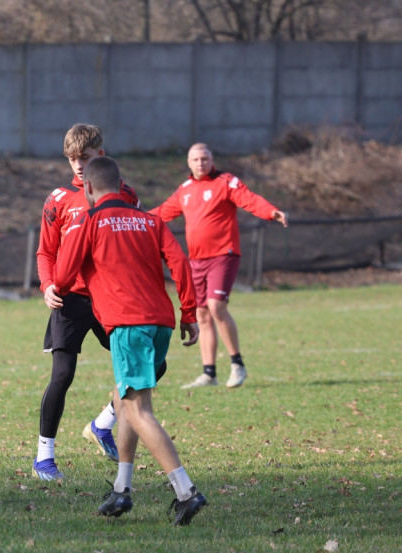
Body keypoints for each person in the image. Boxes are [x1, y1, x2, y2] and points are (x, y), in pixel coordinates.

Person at [53, 155, 207, 525]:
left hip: (127, 324)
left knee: (138, 411)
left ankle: (186, 491)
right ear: (121, 186)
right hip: (160, 323)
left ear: (87, 187)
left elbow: (63, 272)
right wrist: (188, 312)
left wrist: (57, 286)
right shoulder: (151, 220)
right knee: (126, 403)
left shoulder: (89, 221)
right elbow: (180, 265)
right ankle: (122, 490)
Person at [34, 123, 146, 479]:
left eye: (83, 157)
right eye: (71, 159)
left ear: (101, 152)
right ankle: (44, 458)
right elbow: (45, 252)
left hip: (108, 298)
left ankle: (102, 425)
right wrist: (49, 284)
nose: (77, 165)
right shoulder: (57, 200)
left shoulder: (125, 195)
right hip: (69, 299)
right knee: (63, 375)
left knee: (145, 368)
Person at [152, 143, 288, 389]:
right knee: (202, 313)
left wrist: (271, 212)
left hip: (223, 255)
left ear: (212, 160)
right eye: (195, 159)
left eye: (204, 158)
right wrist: (131, 219)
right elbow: (161, 213)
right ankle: (209, 373)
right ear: (189, 163)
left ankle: (237, 364)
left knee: (216, 306)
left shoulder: (225, 182)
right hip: (196, 260)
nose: (200, 163)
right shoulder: (185, 190)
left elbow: (249, 199)